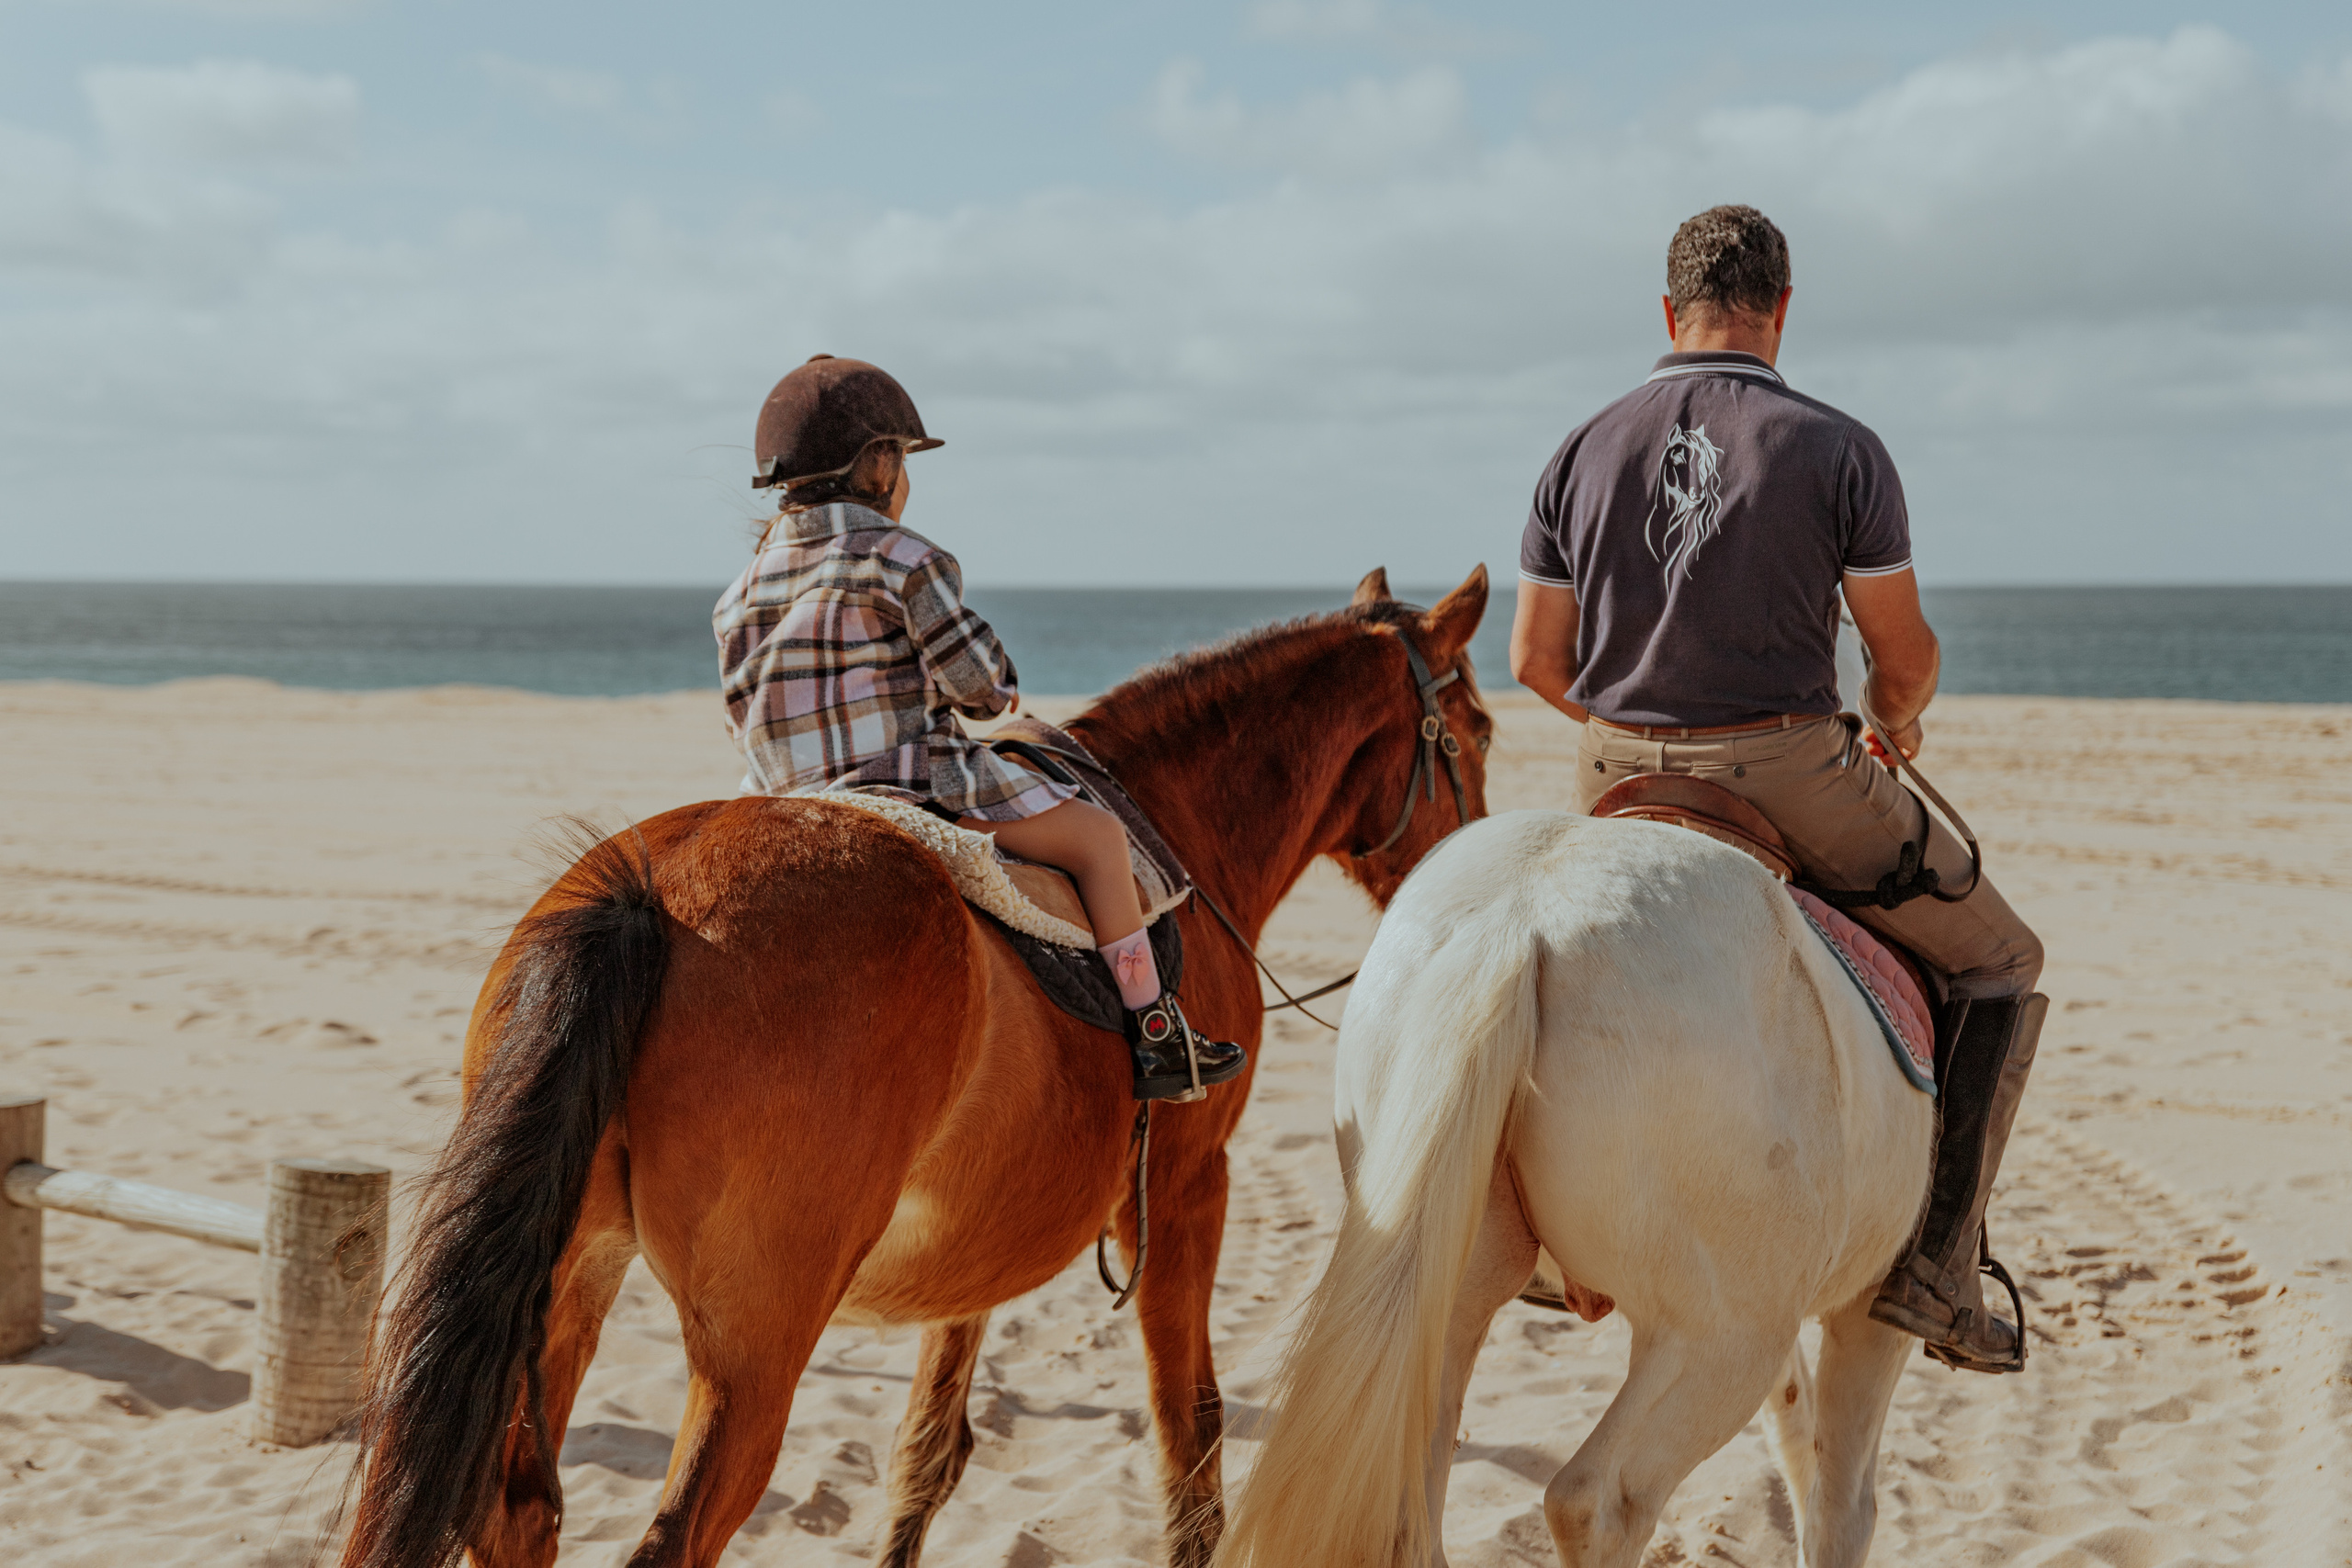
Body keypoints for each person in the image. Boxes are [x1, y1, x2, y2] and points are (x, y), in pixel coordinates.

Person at [1508, 206, 2047, 1374]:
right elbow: (1899, 662)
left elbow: (1533, 663)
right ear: (1782, 309)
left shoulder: (1577, 446)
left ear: (1668, 312)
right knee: (2001, 959)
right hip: (1785, 767)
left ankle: (1541, 1241)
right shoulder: (1837, 448)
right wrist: (1895, 727)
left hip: (1608, 766)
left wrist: (1641, 734)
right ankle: (1937, 1273)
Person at [714, 354, 1245, 1101]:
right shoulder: (902, 557)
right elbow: (986, 692)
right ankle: (1158, 1033)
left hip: (778, 805)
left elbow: (744, 717)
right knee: (1099, 840)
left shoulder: (739, 591)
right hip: (909, 791)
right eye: (902, 459)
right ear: (880, 462)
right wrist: (993, 700)